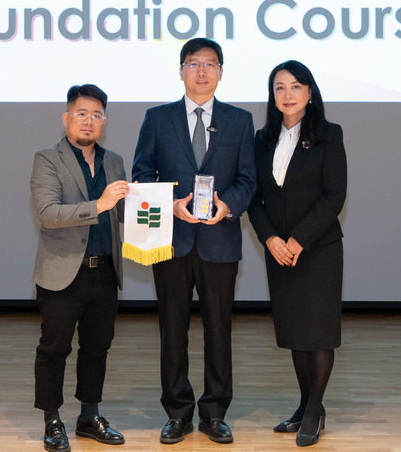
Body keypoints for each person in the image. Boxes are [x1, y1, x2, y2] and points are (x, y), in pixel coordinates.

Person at [132, 39, 257, 445]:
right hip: (172, 240)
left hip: (220, 241)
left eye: (209, 64)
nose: (201, 71)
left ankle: (215, 413)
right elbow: (142, 175)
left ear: (221, 72)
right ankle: (178, 413)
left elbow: (248, 179)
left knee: (219, 331)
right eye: (193, 64)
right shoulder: (157, 119)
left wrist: (228, 205)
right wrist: (170, 204)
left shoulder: (240, 121)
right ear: (181, 70)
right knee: (173, 329)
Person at [246, 61, 347, 447]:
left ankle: (314, 410)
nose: (287, 94)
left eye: (295, 86)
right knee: (295, 331)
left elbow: (334, 195)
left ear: (310, 92)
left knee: (317, 332)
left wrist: (298, 240)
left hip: (317, 250)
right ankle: (305, 405)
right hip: (279, 252)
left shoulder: (329, 135)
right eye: (279, 88)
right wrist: (271, 239)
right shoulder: (261, 139)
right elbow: (254, 197)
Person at [30, 84, 130, 452]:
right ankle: (52, 420)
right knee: (54, 349)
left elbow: (125, 212)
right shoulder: (47, 159)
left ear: (104, 121)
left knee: (97, 348)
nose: (89, 121)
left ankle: (89, 417)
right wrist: (99, 204)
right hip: (61, 274)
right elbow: (48, 213)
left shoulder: (114, 161)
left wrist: (159, 205)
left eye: (96, 115)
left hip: (104, 272)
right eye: (82, 113)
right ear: (66, 118)